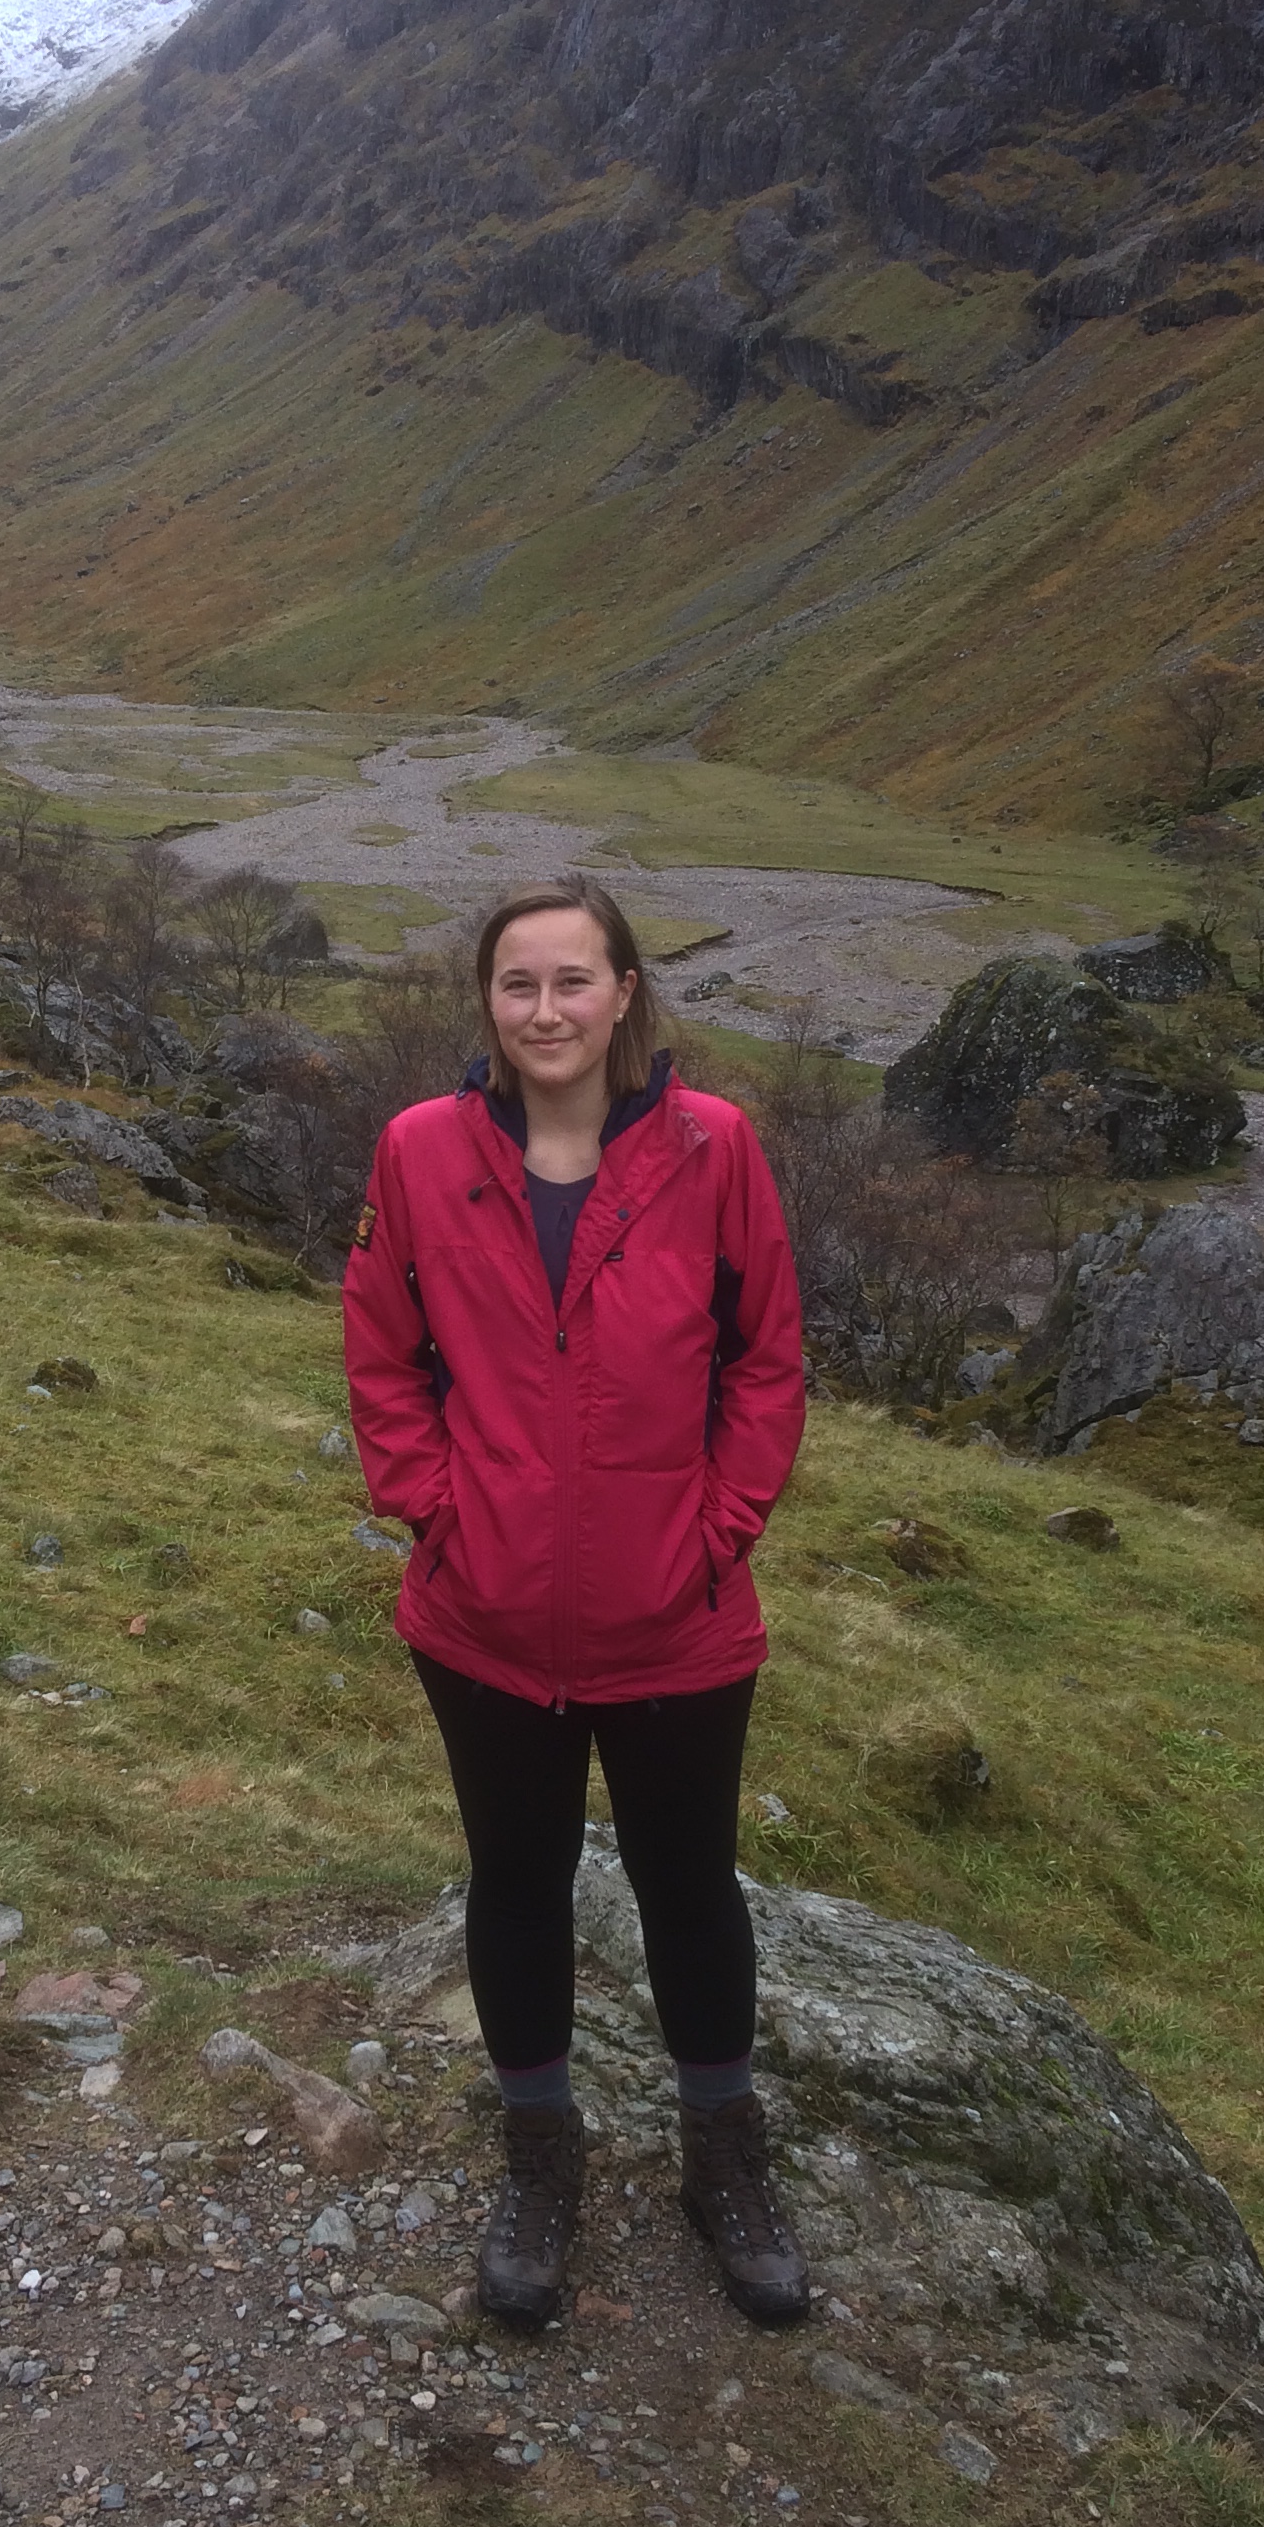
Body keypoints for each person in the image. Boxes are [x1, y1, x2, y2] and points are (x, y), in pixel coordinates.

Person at [341, 874, 809, 2331]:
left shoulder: (714, 1147)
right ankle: (540, 2155)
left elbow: (767, 1359)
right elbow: (382, 1350)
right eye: (518, 983)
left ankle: (722, 2154)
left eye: (572, 980)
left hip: (678, 1614)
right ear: (487, 1002)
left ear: (623, 995)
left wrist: (718, 1533)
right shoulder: (419, 1152)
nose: (545, 1010)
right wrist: (438, 1512)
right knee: (516, 1883)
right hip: (481, 1616)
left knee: (690, 1887)